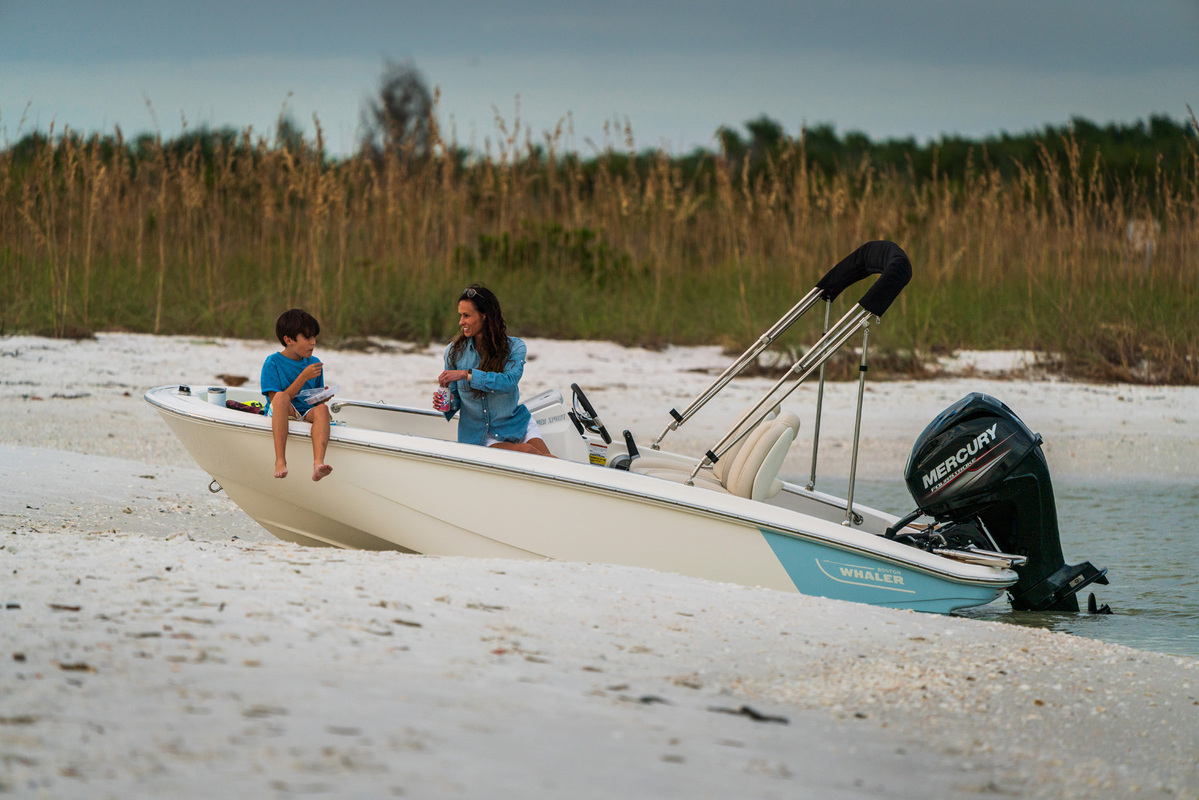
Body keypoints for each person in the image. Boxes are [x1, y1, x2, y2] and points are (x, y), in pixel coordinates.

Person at [436, 284, 553, 457]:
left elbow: (508, 381)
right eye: (460, 316)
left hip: (517, 425)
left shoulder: (515, 347)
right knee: (530, 453)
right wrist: (447, 403)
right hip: (481, 436)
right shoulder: (453, 353)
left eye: (466, 316)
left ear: (485, 316)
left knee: (552, 462)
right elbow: (455, 402)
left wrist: (466, 374)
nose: (461, 322)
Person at [260, 308, 333, 481]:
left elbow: (313, 402)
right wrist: (303, 377)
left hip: (305, 411)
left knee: (322, 409)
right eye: (307, 338)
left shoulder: (314, 363)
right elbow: (276, 401)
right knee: (280, 397)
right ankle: (280, 460)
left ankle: (318, 465)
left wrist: (322, 396)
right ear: (288, 340)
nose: (313, 342)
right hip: (281, 410)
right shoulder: (272, 362)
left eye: (314, 337)